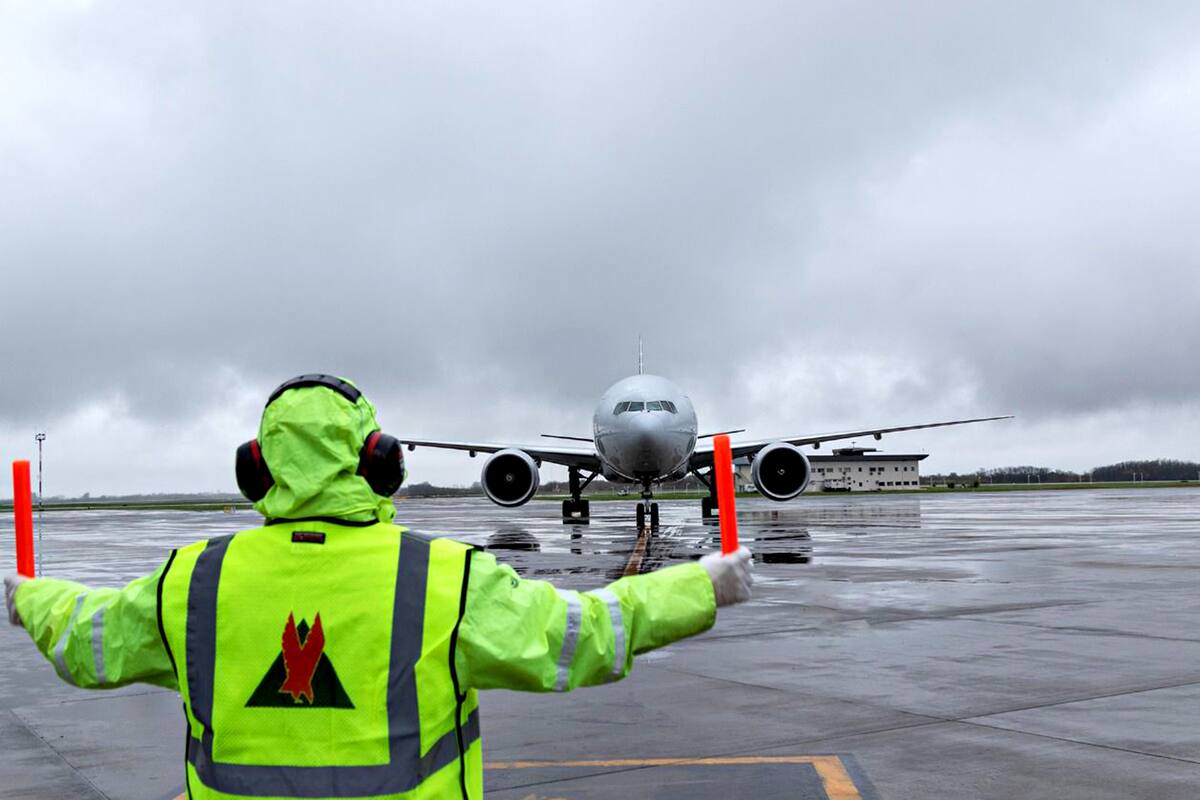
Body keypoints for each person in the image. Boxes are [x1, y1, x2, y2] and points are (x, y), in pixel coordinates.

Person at [4, 374, 752, 799]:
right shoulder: (443, 577)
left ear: (255, 470)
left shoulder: (194, 580)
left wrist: (26, 596)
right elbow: (582, 639)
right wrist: (698, 588)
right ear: (382, 463)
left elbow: (87, 641)